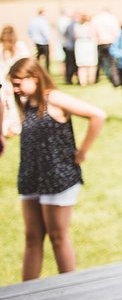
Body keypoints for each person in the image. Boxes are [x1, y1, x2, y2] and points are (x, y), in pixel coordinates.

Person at [6, 57, 106, 280]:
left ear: (34, 77)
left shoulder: (53, 98)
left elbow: (97, 115)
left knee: (57, 237)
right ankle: (27, 293)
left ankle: (67, 290)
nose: (15, 88)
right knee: (32, 237)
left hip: (57, 176)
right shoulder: (27, 102)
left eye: (18, 82)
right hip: (32, 175)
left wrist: (82, 151)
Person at [2, 25, 31, 137]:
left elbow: (25, 63)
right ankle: (11, 127)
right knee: (9, 104)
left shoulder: (20, 47)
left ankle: (22, 124)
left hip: (20, 80)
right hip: (6, 82)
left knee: (22, 103)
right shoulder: (2, 50)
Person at [91, 8, 121, 86]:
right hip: (110, 42)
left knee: (100, 63)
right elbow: (116, 32)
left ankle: (96, 79)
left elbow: (92, 31)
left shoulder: (96, 19)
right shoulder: (112, 18)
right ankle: (115, 80)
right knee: (112, 63)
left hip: (100, 42)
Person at [73, 14, 99, 86]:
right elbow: (93, 35)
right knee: (91, 65)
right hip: (89, 45)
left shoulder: (76, 26)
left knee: (81, 66)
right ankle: (91, 81)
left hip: (80, 45)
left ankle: (83, 82)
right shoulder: (90, 25)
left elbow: (74, 36)